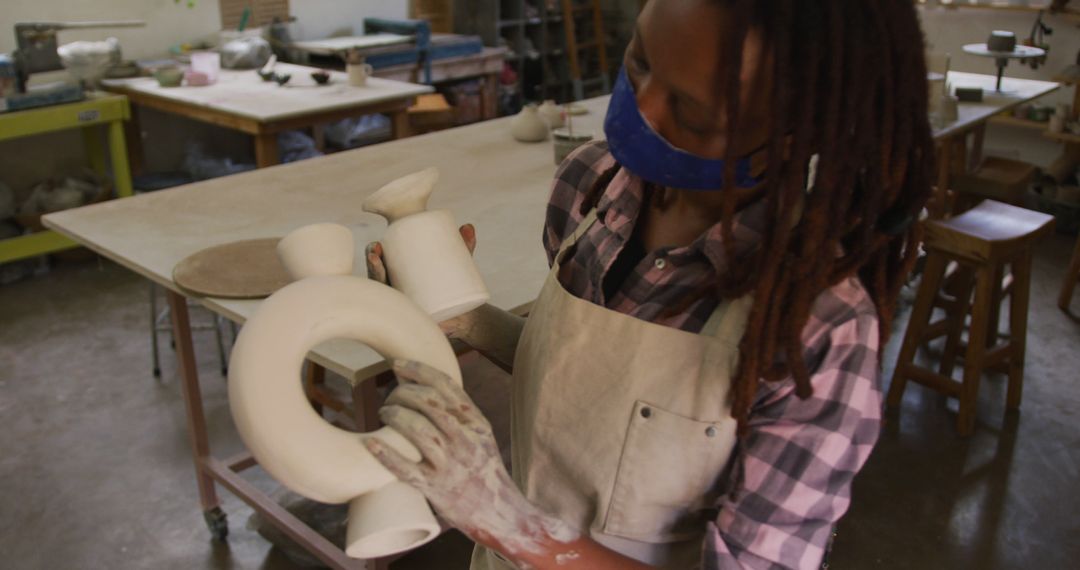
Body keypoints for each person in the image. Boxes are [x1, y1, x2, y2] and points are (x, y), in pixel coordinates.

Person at [363, 1, 934, 568]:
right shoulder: (589, 186)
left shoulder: (815, 325)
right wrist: (470, 322)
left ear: (798, 129)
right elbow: (589, 382)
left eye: (691, 110)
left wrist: (508, 522)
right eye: (640, 60)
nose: (644, 108)